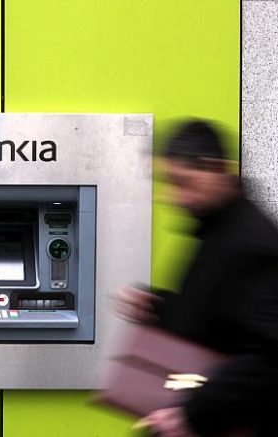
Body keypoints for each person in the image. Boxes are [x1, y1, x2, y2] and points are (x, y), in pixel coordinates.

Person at [118, 119, 278, 437]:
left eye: (182, 182)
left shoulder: (252, 242)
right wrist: (158, 307)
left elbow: (267, 356)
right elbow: (218, 317)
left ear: (213, 168)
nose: (174, 197)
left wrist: (192, 416)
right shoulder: (217, 231)